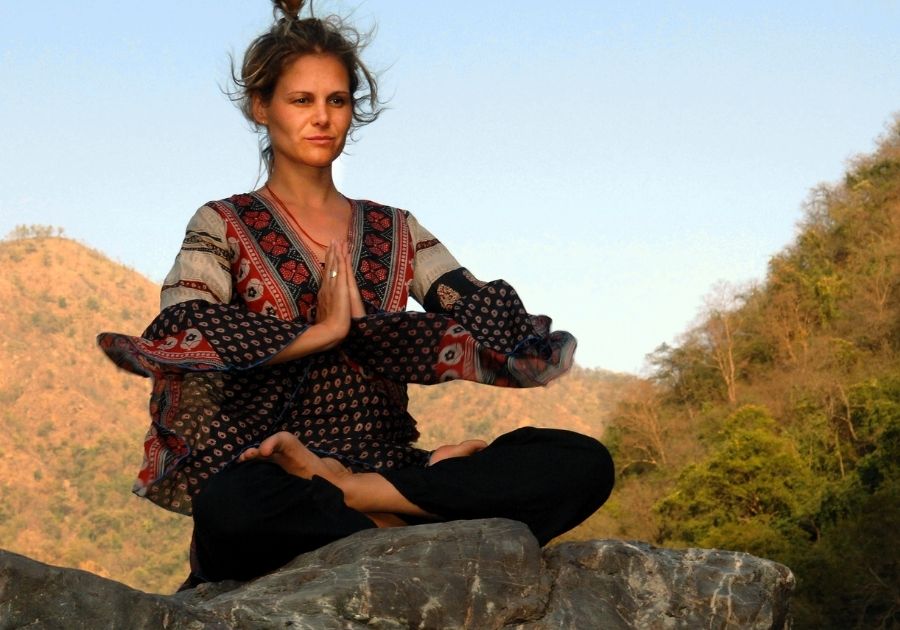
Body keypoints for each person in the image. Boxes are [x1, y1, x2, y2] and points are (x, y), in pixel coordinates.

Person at [98, 0, 614, 587]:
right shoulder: (223, 222)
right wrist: (322, 333)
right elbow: (183, 330)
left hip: (386, 465)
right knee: (232, 503)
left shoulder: (396, 230)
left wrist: (393, 352)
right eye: (302, 100)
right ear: (261, 107)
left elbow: (496, 325)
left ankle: (369, 496)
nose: (322, 118)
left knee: (579, 461)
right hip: (277, 472)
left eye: (337, 101)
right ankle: (406, 518)